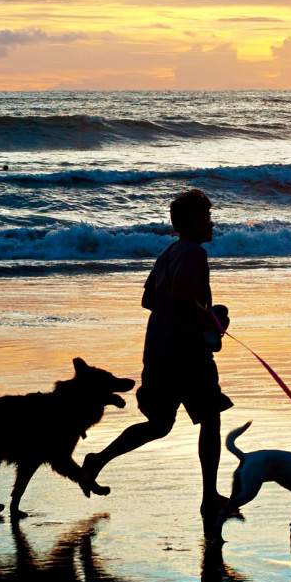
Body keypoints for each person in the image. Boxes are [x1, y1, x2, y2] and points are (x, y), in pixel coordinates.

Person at [83, 188, 232, 518]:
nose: (211, 222)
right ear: (190, 222)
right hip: (187, 355)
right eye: (206, 216)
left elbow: (149, 300)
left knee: (160, 424)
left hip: (159, 352)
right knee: (210, 419)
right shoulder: (194, 254)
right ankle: (210, 497)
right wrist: (208, 317)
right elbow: (180, 297)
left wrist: (188, 313)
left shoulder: (168, 252)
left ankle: (98, 459)